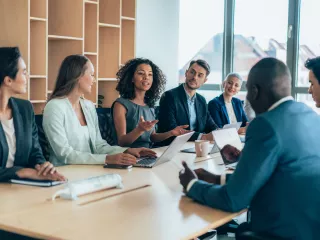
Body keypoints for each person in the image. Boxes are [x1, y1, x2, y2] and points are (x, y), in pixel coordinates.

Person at [179, 58, 320, 239]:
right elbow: (279, 174)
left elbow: (233, 200)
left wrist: (191, 184)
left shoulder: (265, 124)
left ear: (254, 92)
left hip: (283, 231)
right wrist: (217, 178)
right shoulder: (310, 116)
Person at [43, 55, 156, 166]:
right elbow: (64, 154)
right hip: (65, 173)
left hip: (90, 170)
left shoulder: (88, 106)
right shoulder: (54, 107)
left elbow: (98, 145)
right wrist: (107, 159)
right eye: (91, 75)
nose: (94, 79)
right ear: (77, 76)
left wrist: (127, 151)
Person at [0, 47, 65, 182]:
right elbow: (22, 171)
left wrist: (43, 167)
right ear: (8, 80)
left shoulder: (25, 109)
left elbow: (35, 152)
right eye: (24, 72)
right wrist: (21, 172)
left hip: (21, 189)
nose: (27, 76)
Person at [112, 58, 189, 148]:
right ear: (131, 78)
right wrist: (139, 130)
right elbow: (122, 142)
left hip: (147, 153)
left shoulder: (149, 106)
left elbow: (152, 137)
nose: (146, 77)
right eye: (141, 73)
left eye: (150, 74)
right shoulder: (120, 105)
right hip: (128, 156)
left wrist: (171, 133)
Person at [157, 59, 218, 146]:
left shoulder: (202, 100)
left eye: (200, 75)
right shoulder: (169, 96)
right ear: (186, 73)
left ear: (204, 81)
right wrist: (202, 137)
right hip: (171, 147)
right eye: (192, 72)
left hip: (194, 147)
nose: (194, 77)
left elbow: (211, 125)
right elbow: (171, 129)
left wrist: (218, 133)